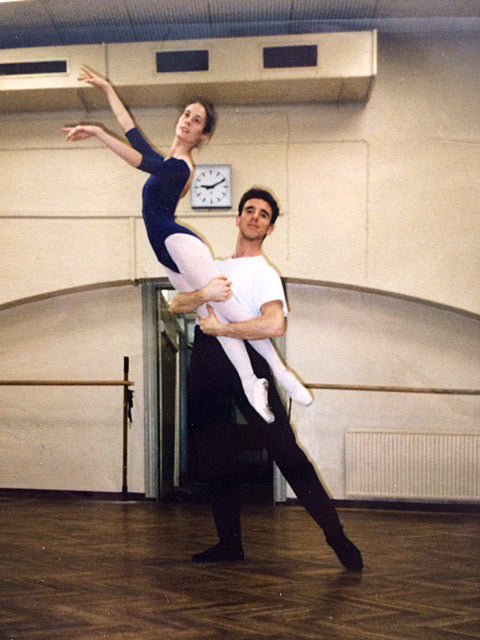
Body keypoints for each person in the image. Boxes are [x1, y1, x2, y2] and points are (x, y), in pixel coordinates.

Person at [62, 66, 311, 423]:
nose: (187, 121)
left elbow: (137, 158)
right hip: (164, 250)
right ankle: (252, 382)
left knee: (225, 309)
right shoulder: (167, 161)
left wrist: (99, 131)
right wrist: (105, 88)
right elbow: (134, 134)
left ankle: (280, 374)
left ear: (203, 135)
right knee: (210, 314)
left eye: (196, 121)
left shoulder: (179, 168)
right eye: (186, 115)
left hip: (178, 242)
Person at [170, 187, 364, 571]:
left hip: (248, 366)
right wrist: (202, 294)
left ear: (270, 228)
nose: (255, 217)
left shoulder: (265, 274)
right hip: (208, 360)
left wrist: (225, 330)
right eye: (249, 210)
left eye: (263, 214)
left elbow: (274, 324)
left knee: (287, 452)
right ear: (238, 218)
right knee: (214, 454)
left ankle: (338, 539)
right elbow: (176, 303)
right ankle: (229, 544)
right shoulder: (214, 266)